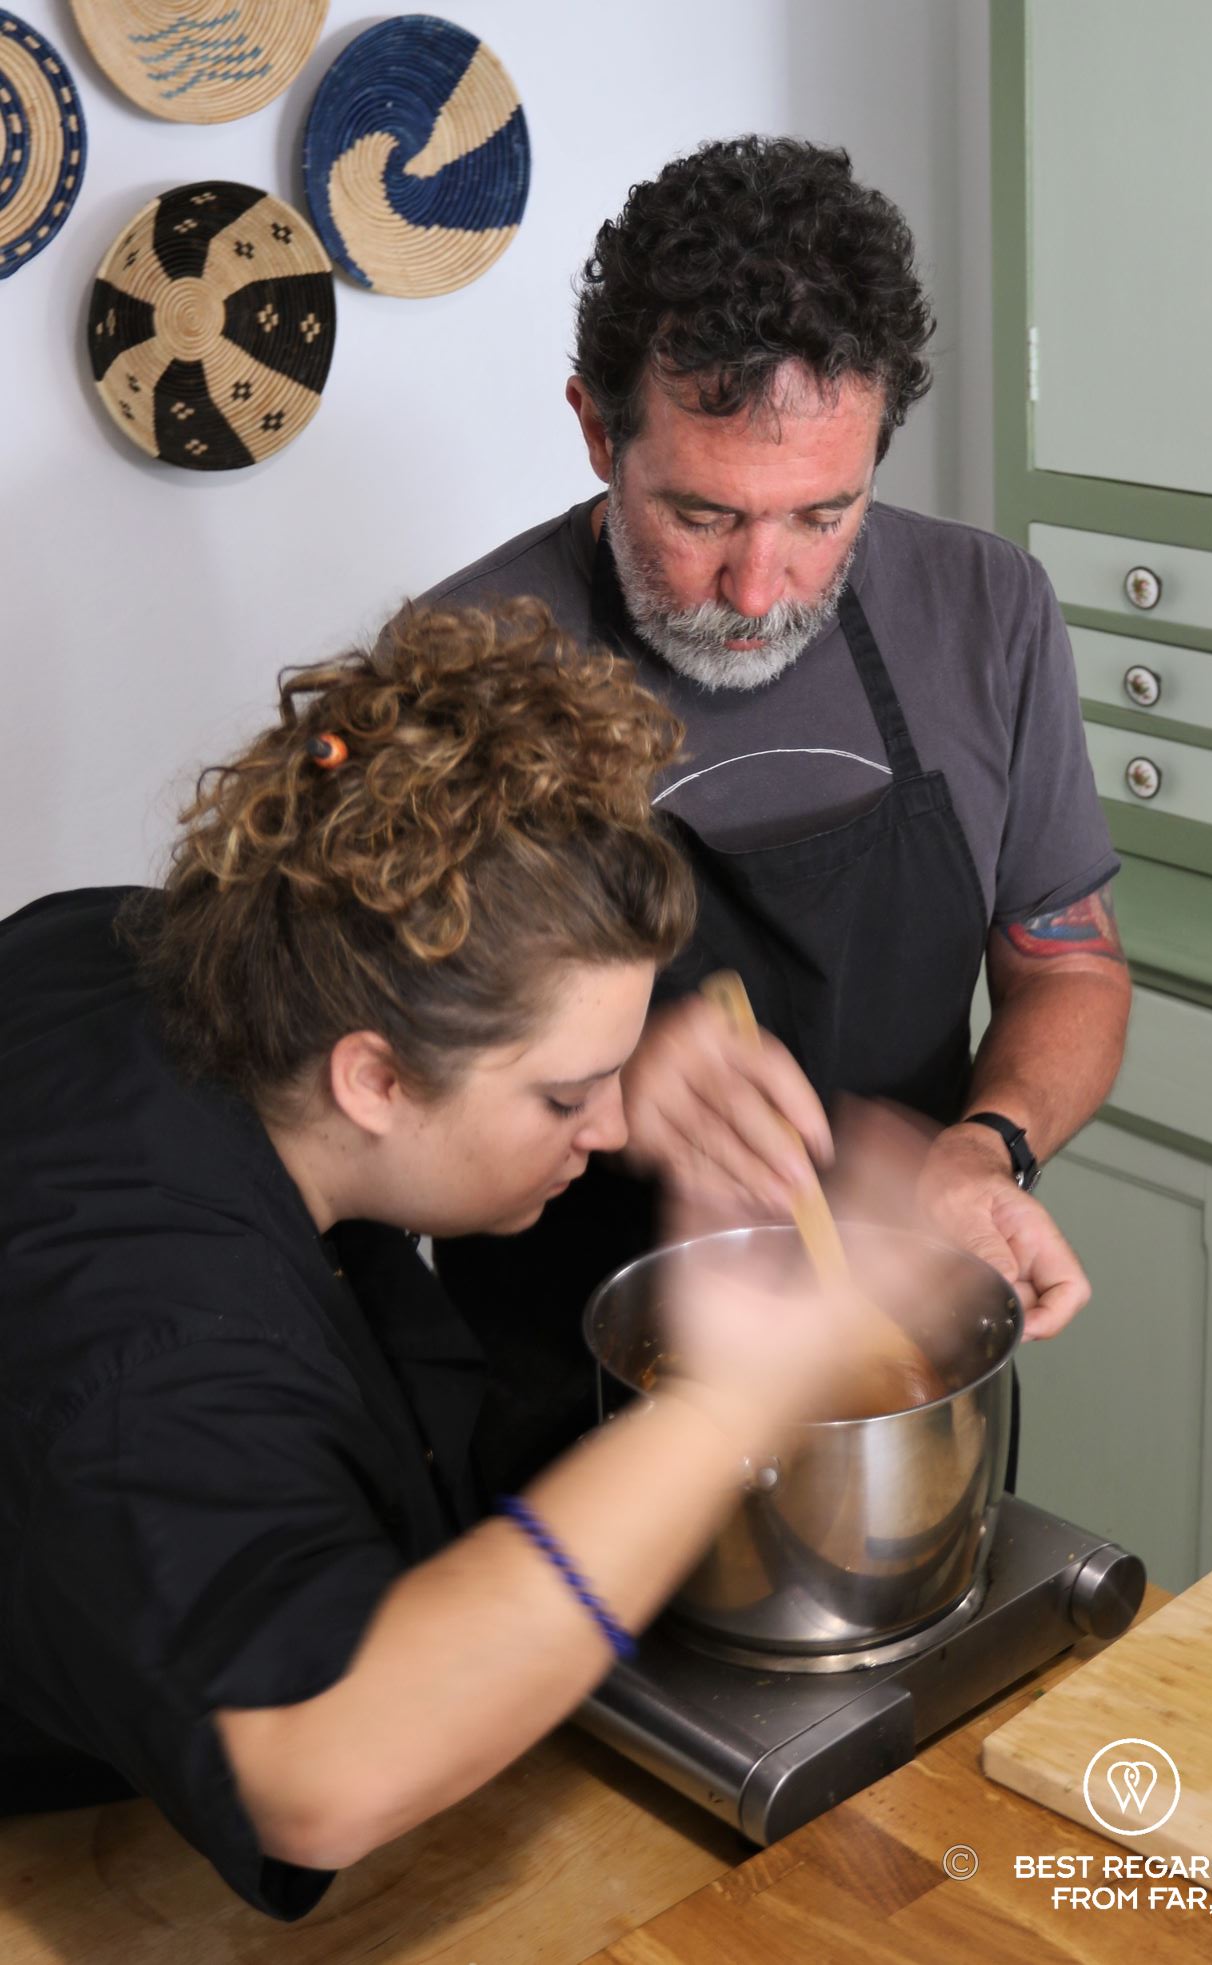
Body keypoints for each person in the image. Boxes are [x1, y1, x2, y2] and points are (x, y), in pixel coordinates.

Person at [0, 599, 868, 1920]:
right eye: (567, 1095)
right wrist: (734, 1405)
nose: (617, 1124)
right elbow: (318, 1764)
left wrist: (615, 1050)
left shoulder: (141, 945)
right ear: (376, 1077)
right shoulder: (154, 1339)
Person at [416, 136, 1133, 1493]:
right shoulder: (465, 662)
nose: (759, 588)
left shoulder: (990, 615)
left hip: (891, 1403)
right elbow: (371, 1078)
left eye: (823, 514)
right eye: (700, 514)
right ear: (594, 426)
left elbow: (1070, 963)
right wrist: (602, 1089)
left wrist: (992, 1146)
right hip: (572, 1402)